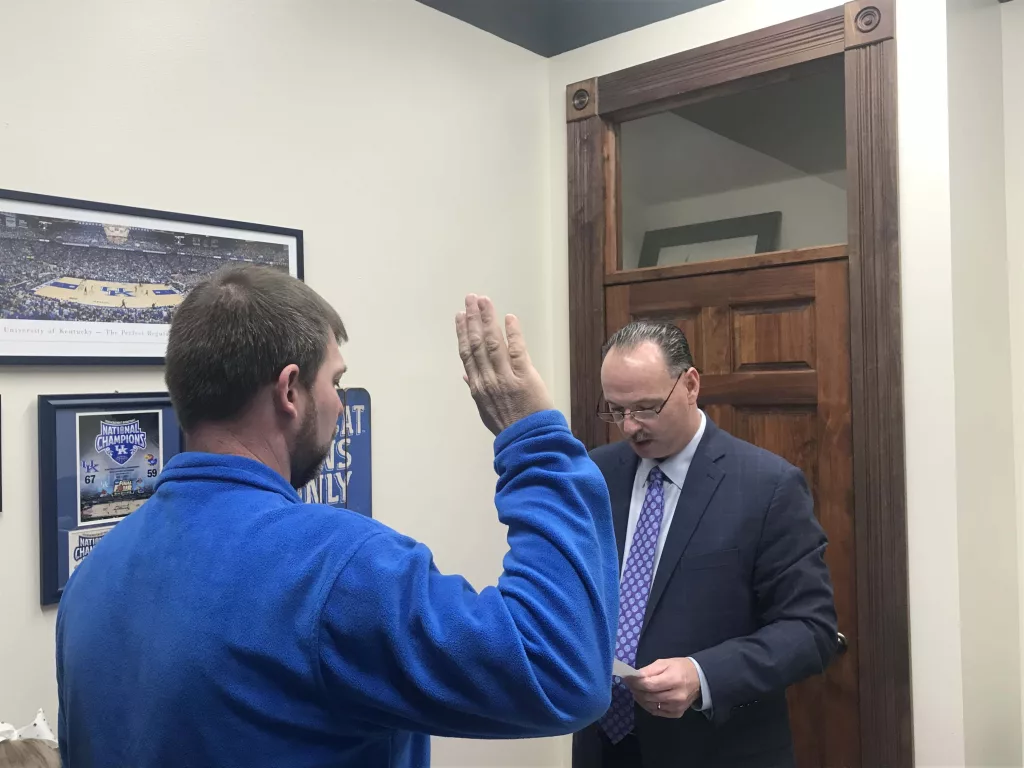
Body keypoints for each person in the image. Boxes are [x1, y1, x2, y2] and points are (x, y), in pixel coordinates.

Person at [56, 265, 619, 767]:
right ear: (289, 392)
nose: (340, 403)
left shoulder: (92, 577)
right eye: (337, 382)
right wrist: (534, 439)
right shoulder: (336, 569)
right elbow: (560, 669)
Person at [572, 320, 838, 768]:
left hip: (717, 750)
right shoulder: (594, 475)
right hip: (603, 748)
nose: (631, 426)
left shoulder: (767, 486)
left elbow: (811, 630)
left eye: (646, 407)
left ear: (691, 384)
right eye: (616, 410)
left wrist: (703, 675)